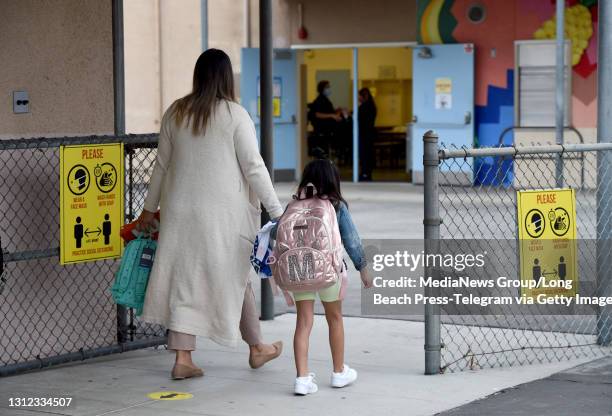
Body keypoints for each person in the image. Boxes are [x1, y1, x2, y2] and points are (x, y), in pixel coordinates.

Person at [135, 49, 284, 380]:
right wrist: (277, 211)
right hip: (223, 217)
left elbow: (161, 167)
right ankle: (255, 347)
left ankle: (186, 358)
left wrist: (148, 210)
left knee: (184, 280)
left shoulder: (176, 112)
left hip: (179, 213)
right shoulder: (234, 114)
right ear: (226, 77)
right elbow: (254, 167)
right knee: (234, 275)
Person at [278, 159, 372, 396]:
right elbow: (352, 240)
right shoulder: (336, 205)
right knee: (335, 319)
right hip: (329, 271)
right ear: (333, 180)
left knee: (303, 322)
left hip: (300, 269)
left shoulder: (294, 204)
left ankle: (302, 378)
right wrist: (363, 268)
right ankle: (339, 372)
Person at [358, 88, 377, 181]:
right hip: (369, 133)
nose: (358, 98)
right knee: (368, 153)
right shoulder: (372, 105)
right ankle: (367, 172)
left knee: (364, 154)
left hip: (364, 134)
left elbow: (360, 119)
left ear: (364, 96)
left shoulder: (364, 107)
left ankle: (365, 173)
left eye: (359, 96)